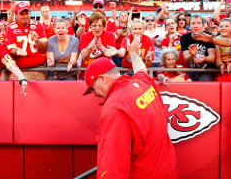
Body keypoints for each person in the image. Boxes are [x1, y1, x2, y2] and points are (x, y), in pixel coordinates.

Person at [82, 34, 179, 178]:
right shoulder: (142, 83)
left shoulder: (114, 109)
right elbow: (141, 70)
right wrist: (133, 52)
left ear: (102, 79)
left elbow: (112, 167)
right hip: (169, 170)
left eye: (92, 88)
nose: (94, 94)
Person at [4, 2, 48, 80]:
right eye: (22, 14)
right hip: (21, 70)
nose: (25, 16)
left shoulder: (37, 25)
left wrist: (37, 41)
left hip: (39, 69)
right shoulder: (11, 28)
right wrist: (17, 51)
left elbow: (44, 47)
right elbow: (11, 49)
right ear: (16, 15)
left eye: (27, 13)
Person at [180, 14, 215, 81]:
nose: (196, 26)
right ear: (189, 26)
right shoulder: (184, 38)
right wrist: (192, 55)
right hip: (191, 70)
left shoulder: (209, 36)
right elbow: (186, 59)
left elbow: (212, 58)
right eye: (193, 23)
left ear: (203, 25)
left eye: (199, 23)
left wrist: (203, 59)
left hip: (206, 70)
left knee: (203, 84)